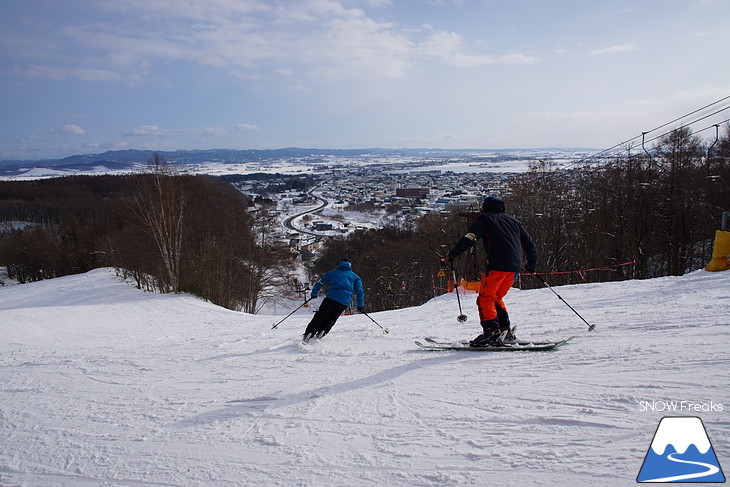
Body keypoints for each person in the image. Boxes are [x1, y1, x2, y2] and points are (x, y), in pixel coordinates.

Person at [443, 196, 537, 346]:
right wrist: (531, 264)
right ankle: (504, 330)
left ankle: (491, 333)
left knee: (485, 298)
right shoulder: (514, 221)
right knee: (496, 297)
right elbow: (529, 243)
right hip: (514, 267)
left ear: (486, 208)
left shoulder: (486, 219)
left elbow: (470, 237)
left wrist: (453, 253)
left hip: (497, 265)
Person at [303, 258, 365, 343]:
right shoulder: (355, 277)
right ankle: (322, 331)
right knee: (332, 318)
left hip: (331, 298)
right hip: (343, 302)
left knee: (321, 315)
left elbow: (320, 283)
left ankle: (309, 333)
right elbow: (360, 291)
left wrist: (314, 293)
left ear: (340, 263)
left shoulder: (333, 273)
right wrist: (360, 305)